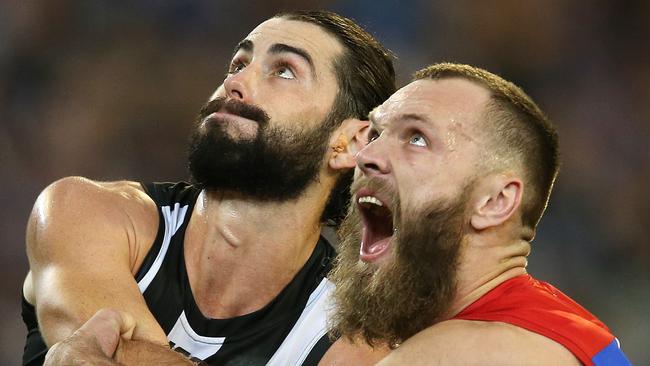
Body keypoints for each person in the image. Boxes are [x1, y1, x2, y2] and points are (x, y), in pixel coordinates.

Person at [22, 10, 396, 365]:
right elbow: (106, 352)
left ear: (350, 142)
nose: (235, 83)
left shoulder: (352, 332)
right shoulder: (86, 210)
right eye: (239, 64)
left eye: (284, 71)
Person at [326, 62, 632, 365]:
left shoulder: (454, 354)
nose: (366, 156)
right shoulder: (569, 330)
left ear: (496, 201)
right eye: (376, 135)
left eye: (417, 138)